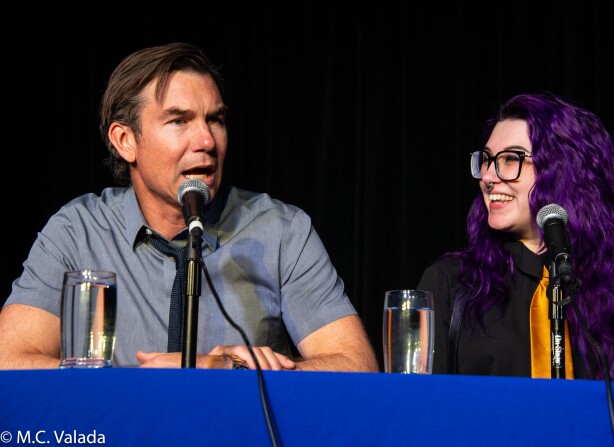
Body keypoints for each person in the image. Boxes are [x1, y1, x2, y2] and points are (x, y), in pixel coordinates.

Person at [0, 42, 378, 372]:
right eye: (179, 120)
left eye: (216, 120)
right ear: (125, 140)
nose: (207, 141)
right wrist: (142, 384)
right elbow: (9, 361)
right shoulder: (77, 231)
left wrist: (231, 371)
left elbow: (357, 367)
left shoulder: (281, 230)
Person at [418, 92, 614, 382]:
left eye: (510, 159)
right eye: (486, 160)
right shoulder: (452, 284)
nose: (488, 176)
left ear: (564, 172)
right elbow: (422, 411)